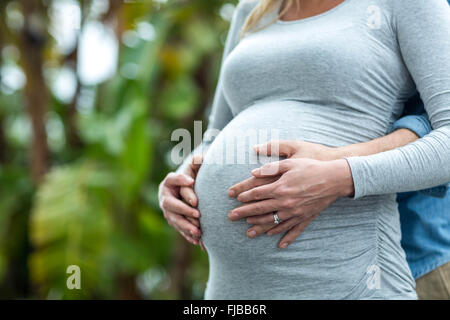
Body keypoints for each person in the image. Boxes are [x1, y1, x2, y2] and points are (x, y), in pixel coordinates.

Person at [159, 0, 450, 299]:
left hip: (348, 281)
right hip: (229, 290)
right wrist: (183, 177)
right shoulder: (252, 10)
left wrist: (340, 176)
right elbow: (215, 133)